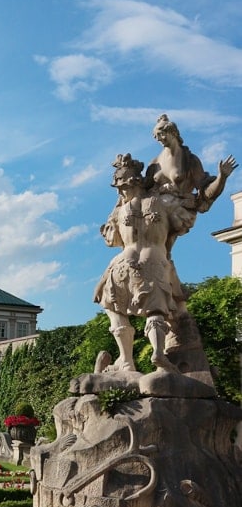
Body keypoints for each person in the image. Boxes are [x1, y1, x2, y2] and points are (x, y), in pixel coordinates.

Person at [94, 153, 191, 372]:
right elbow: (183, 223)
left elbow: (112, 241)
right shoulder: (163, 202)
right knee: (156, 310)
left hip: (121, 264)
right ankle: (157, 352)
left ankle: (126, 360)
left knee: (111, 306)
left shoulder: (119, 211)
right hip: (153, 260)